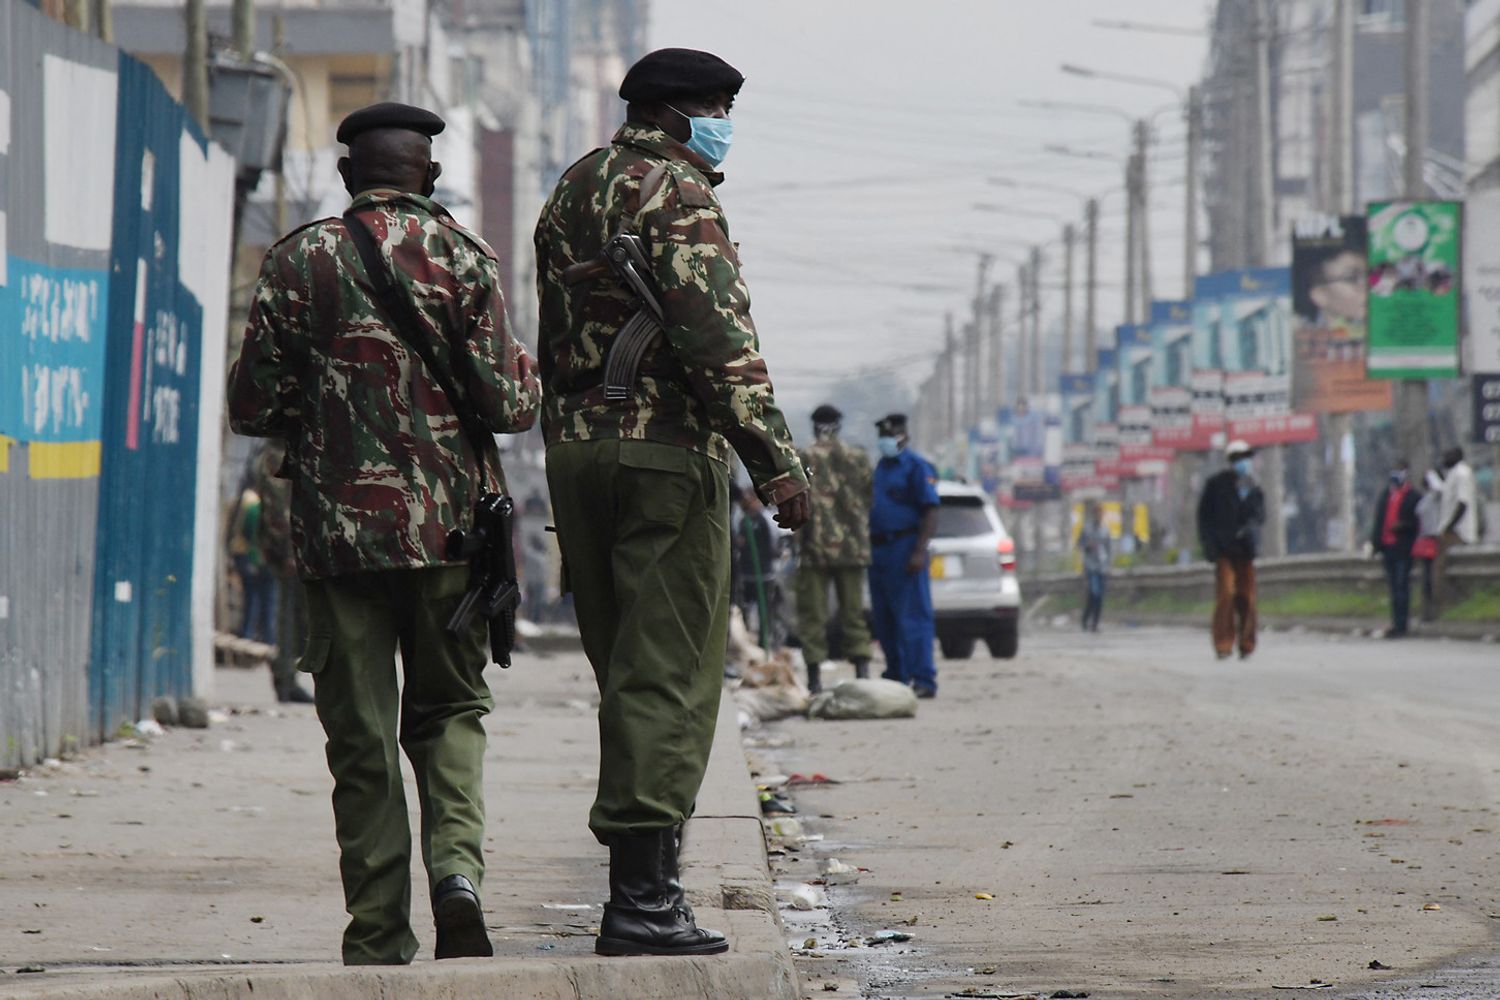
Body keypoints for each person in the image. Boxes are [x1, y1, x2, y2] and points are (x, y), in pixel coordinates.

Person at [227, 101, 540, 965]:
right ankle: (458, 878)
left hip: (338, 541)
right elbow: (512, 407)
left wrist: (319, 407)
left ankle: (376, 934)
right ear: (428, 175)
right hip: (451, 542)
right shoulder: (465, 259)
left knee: (361, 737)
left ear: (346, 176)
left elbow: (250, 404)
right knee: (449, 712)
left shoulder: (297, 260)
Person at [533, 48, 810, 957]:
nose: (728, 124)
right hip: (662, 453)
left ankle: (645, 885)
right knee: (670, 670)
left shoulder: (573, 189)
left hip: (577, 453)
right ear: (683, 114)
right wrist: (776, 462)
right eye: (722, 108)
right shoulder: (677, 192)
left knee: (624, 669)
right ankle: (644, 904)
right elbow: (716, 334)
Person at [794, 404, 874, 693]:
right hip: (852, 548)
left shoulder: (803, 457)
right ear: (838, 425)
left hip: (814, 548)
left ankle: (815, 679)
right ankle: (862, 673)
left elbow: (795, 498)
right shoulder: (858, 458)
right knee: (853, 613)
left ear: (815, 425)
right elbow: (868, 497)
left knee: (813, 615)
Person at [867, 413, 940, 698]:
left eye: (892, 434)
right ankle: (896, 673)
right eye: (883, 436)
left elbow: (931, 510)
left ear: (903, 436)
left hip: (905, 547)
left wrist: (919, 551)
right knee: (885, 617)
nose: (887, 440)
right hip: (879, 549)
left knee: (913, 617)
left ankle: (923, 678)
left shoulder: (917, 467)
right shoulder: (881, 468)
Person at [1196, 440, 1265, 660]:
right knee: (1225, 594)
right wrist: (1210, 547)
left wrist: (1251, 531)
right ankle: (1223, 642)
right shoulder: (1216, 486)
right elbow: (1204, 519)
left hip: (1245, 550)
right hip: (1224, 550)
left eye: (1244, 458)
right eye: (1237, 459)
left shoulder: (1254, 487)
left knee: (1247, 597)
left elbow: (1260, 516)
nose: (1241, 463)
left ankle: (1247, 642)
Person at [1369, 460, 1421, 638]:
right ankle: (1395, 622)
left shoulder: (1413, 496)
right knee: (1393, 587)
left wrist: (1403, 526)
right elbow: (1379, 521)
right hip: (1387, 547)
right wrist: (1375, 545)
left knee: (1402, 585)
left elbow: (1417, 523)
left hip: (1403, 547)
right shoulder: (1386, 495)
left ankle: (1402, 624)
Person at [1432, 446, 1479, 617]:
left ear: (1457, 456)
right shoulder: (1453, 474)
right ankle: (1448, 606)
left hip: (1457, 532)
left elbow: (1462, 502)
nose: (1444, 458)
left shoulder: (1462, 473)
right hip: (1450, 530)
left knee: (1443, 569)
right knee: (1443, 570)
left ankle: (1448, 607)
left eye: (1448, 455)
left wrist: (1449, 526)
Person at [1412, 468, 1444, 622]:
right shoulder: (1424, 498)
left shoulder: (1436, 496)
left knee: (1432, 579)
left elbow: (1440, 489)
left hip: (1434, 538)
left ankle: (1434, 613)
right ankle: (1425, 612)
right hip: (1423, 540)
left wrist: (1431, 475)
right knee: (1424, 580)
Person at [1076, 500, 1111, 633]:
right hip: (1091, 566)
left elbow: (1109, 549)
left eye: (1101, 513)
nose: (1099, 515)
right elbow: (1079, 544)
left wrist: (1109, 565)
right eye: (1097, 513)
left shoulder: (1105, 530)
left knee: (1099, 596)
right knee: (1095, 593)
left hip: (1102, 566)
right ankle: (1086, 619)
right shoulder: (1087, 529)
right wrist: (1087, 546)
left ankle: (1094, 622)